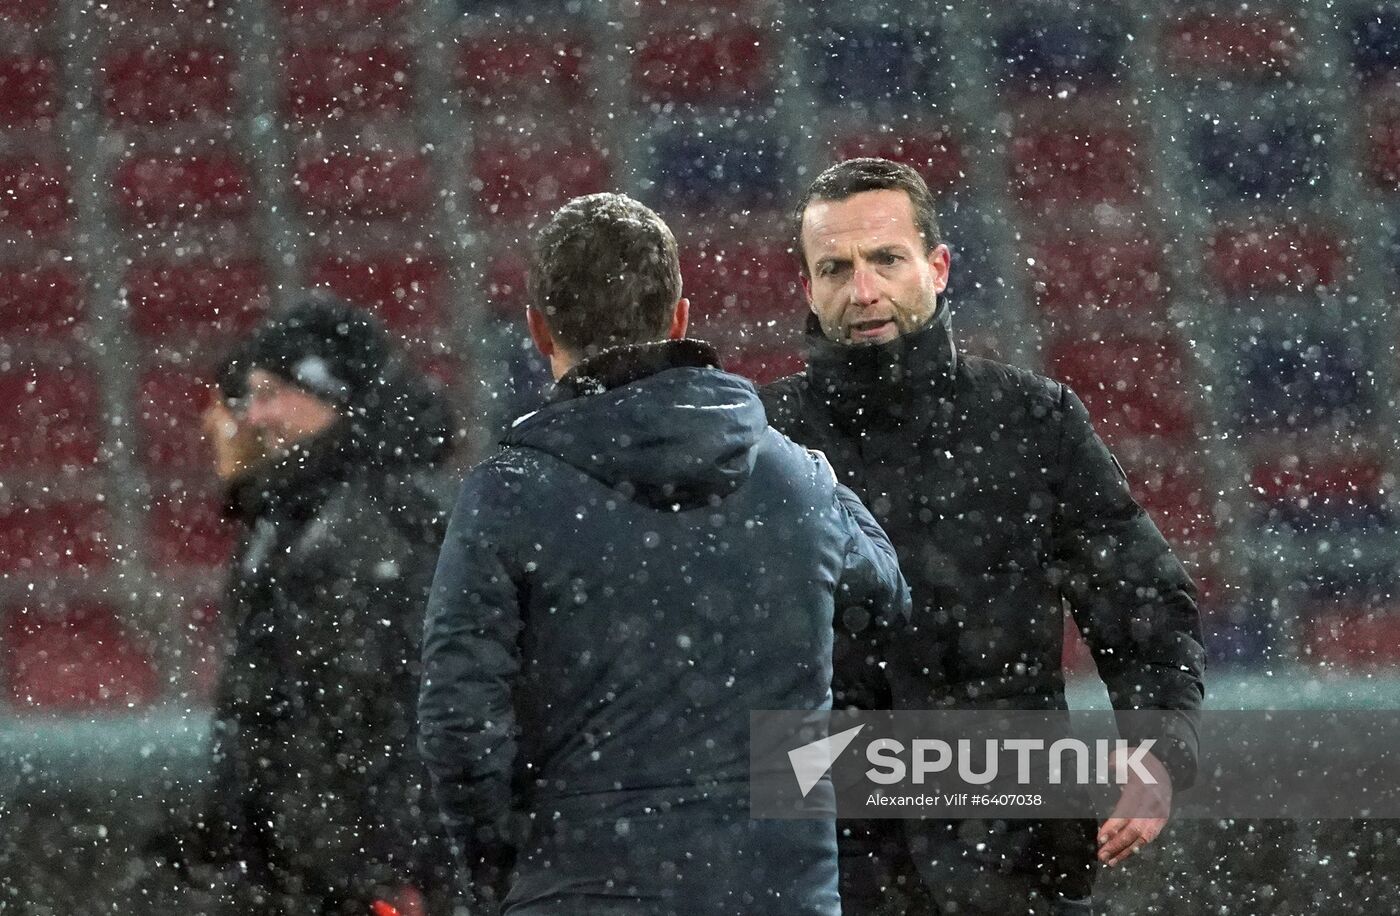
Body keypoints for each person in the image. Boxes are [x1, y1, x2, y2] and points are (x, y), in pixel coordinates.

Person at [417, 192, 911, 916]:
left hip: (579, 890)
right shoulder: (793, 477)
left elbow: (459, 722)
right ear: (681, 316)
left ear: (538, 330)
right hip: (779, 892)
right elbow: (885, 596)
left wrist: (502, 866)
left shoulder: (509, 493)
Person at [760, 158, 1207, 916]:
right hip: (828, 861)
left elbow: (1142, 603)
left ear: (937, 266)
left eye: (886, 260)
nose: (862, 291)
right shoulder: (760, 444)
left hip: (1018, 853)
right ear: (806, 286)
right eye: (834, 268)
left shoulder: (1033, 423)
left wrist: (1159, 751)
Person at [193, 294, 459, 915]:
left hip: (353, 878)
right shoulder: (300, 516)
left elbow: (381, 716)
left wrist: (381, 873)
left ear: (329, 396)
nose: (252, 417)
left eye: (271, 393)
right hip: (319, 870)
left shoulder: (370, 525)